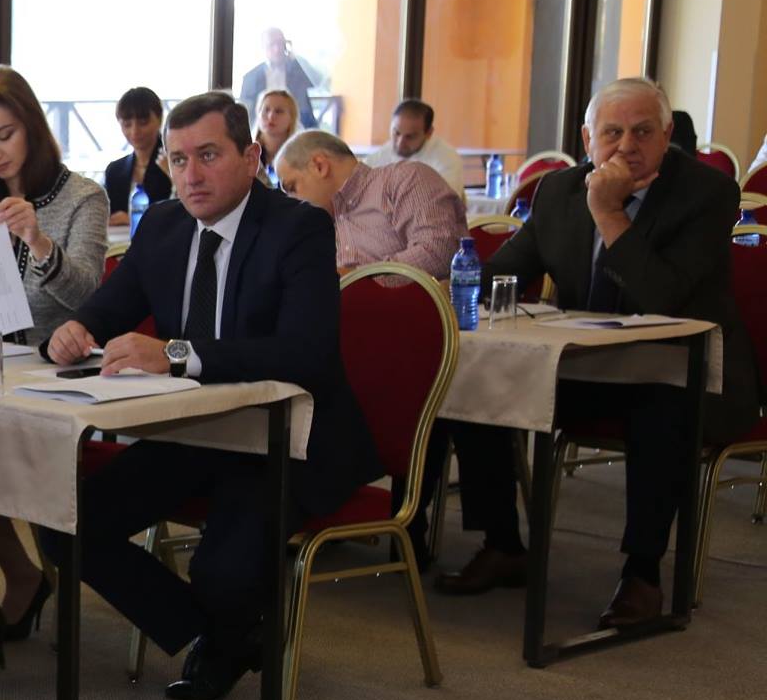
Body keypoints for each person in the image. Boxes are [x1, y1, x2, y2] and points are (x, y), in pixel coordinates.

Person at [46, 91, 380, 700]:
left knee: (223, 570)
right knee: (65, 523)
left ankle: (225, 627)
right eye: (178, 160)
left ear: (251, 157)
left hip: (287, 437)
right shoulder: (164, 224)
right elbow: (110, 307)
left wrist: (175, 353)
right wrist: (75, 330)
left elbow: (304, 352)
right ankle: (221, 633)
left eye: (208, 155)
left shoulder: (299, 227)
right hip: (196, 431)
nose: (191, 176)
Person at [429, 78, 761, 627]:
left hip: (686, 372)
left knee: (662, 404)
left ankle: (642, 574)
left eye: (643, 132)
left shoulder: (707, 194)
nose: (626, 145)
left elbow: (662, 299)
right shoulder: (559, 191)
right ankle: (503, 542)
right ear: (588, 140)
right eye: (612, 132)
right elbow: (503, 272)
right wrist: (431, 290)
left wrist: (609, 213)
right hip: (586, 365)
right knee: (474, 376)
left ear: (667, 136)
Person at [0, 66, 110, 665]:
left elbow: (89, 296)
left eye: (4, 135)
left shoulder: (82, 197)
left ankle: (21, 581)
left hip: (54, 370)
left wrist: (39, 241)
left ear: (32, 125)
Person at [275, 129, 466, 277]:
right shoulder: (316, 224)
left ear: (319, 166)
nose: (291, 200)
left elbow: (438, 253)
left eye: (291, 187)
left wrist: (355, 279)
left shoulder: (405, 179)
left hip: (410, 315)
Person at [102, 86, 173, 227]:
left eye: (143, 123)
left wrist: (134, 219)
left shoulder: (172, 163)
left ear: (159, 119)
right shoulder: (114, 170)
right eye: (127, 124)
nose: (135, 131)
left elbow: (180, 212)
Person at [365, 98, 468, 196]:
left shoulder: (447, 159)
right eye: (396, 133)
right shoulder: (379, 157)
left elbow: (445, 202)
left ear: (429, 133)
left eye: (410, 137)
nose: (400, 143)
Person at [238, 27, 317, 126]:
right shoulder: (251, 78)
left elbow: (317, 81)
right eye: (272, 45)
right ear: (263, 47)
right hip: (263, 128)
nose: (277, 49)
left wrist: (294, 56)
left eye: (280, 43)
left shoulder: (298, 70)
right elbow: (245, 114)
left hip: (296, 127)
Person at [254, 89, 300, 181]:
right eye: (266, 110)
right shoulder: (249, 154)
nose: (271, 116)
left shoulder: (300, 157)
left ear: (292, 118)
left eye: (279, 111)